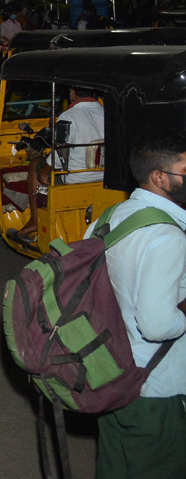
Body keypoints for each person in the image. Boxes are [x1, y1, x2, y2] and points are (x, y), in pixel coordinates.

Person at [83, 128, 186, 479]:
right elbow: (157, 324)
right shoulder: (168, 236)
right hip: (154, 387)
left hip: (110, 372)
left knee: (113, 467)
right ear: (160, 177)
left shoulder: (110, 217)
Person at [14, 86, 105, 238]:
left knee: (35, 164)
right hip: (103, 176)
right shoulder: (106, 113)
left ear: (72, 93)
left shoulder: (69, 116)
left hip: (75, 178)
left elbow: (59, 152)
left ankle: (35, 219)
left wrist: (45, 171)